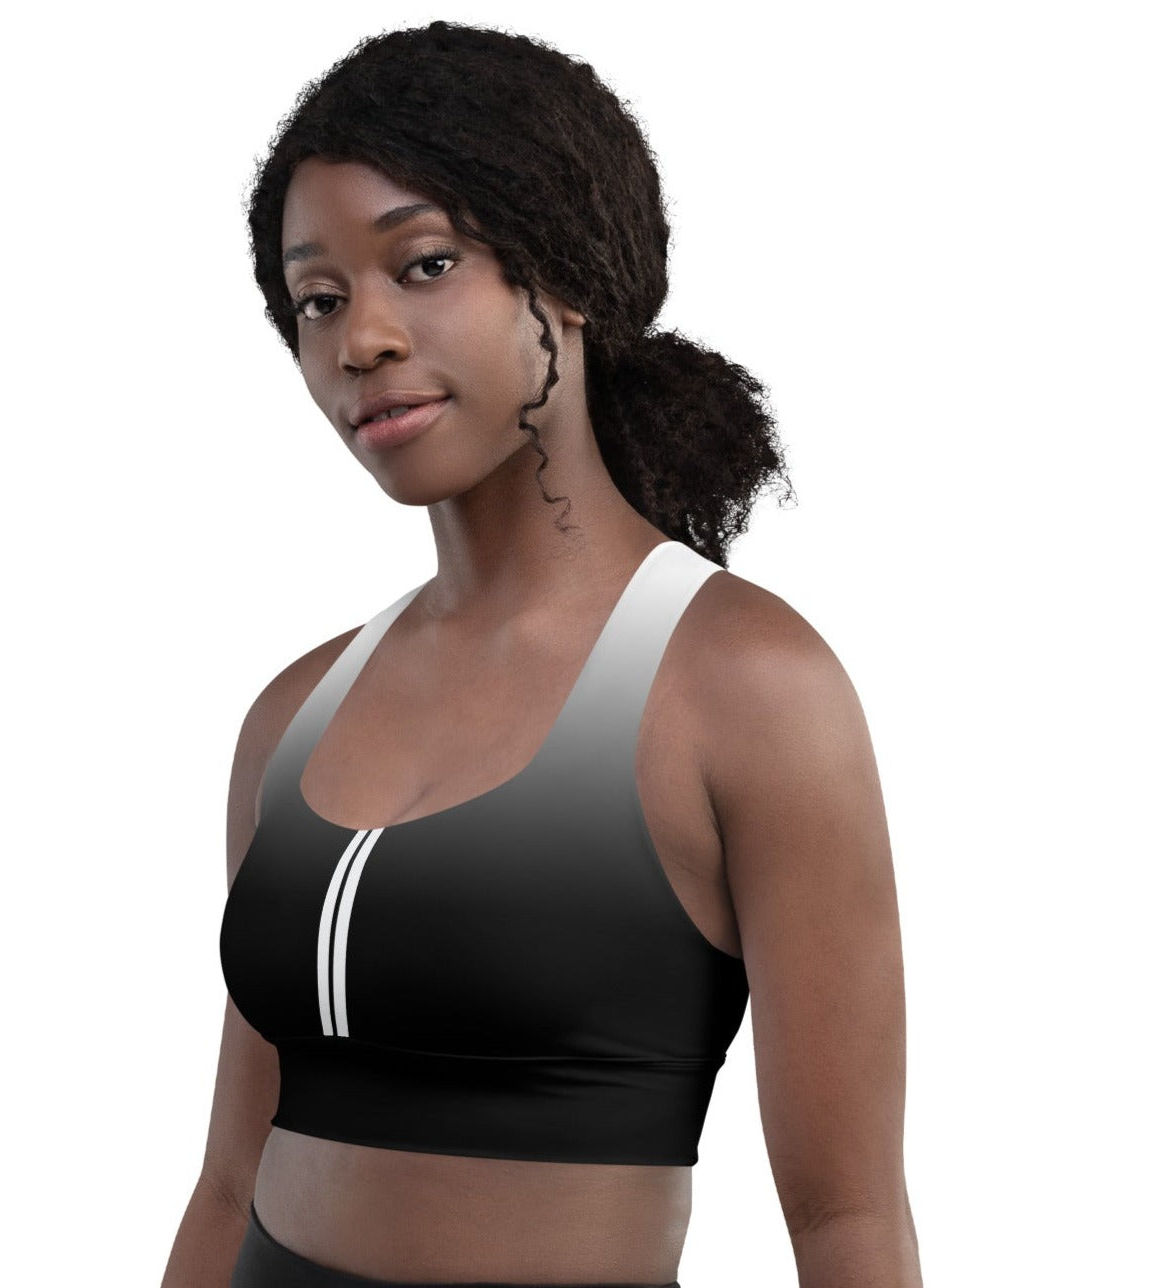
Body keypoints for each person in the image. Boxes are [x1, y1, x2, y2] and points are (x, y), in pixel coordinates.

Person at [162, 20, 922, 1288]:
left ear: (564, 269)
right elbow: (227, 1183)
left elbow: (848, 1218)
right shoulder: (291, 715)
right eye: (318, 299)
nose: (360, 341)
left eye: (425, 264)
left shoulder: (745, 688)